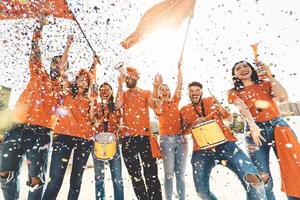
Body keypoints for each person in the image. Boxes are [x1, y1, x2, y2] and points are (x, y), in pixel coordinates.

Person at [0, 18, 72, 200]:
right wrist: (38, 28)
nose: (57, 66)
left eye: (61, 64)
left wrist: (67, 48)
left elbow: (64, 100)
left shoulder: (64, 89)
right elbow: (35, 53)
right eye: (54, 63)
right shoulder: (38, 73)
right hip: (16, 127)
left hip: (40, 132)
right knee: (4, 172)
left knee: (36, 179)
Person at [180, 81, 267, 200]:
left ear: (201, 91)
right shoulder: (184, 110)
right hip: (201, 151)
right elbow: (184, 131)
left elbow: (229, 118)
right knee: (201, 192)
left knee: (254, 180)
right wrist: (192, 124)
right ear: (188, 93)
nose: (194, 93)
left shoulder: (211, 100)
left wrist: (220, 107)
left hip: (226, 145)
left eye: (197, 90)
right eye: (191, 90)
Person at [228, 61, 300, 200]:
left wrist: (270, 75)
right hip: (254, 132)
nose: (242, 69)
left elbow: (283, 97)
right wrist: (253, 125)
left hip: (278, 126)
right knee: (262, 176)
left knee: (293, 167)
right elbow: (243, 107)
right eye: (238, 68)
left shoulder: (265, 83)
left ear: (252, 69)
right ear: (235, 75)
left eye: (245, 66)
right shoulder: (233, 92)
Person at [42, 56, 98, 200]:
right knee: (55, 179)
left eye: (87, 79)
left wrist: (92, 104)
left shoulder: (90, 98)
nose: (84, 79)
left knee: (76, 182)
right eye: (81, 77)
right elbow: (62, 71)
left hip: (85, 139)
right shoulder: (66, 92)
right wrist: (68, 46)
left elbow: (92, 120)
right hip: (63, 136)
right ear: (76, 79)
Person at [116, 67, 162, 200]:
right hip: (128, 140)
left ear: (137, 77)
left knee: (151, 174)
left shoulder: (146, 93)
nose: (129, 78)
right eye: (127, 76)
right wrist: (119, 83)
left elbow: (155, 106)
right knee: (135, 177)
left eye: (132, 76)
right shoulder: (123, 94)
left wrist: (157, 87)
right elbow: (118, 105)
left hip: (145, 138)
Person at [152, 64, 188, 200]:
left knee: (180, 174)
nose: (165, 91)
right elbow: (155, 100)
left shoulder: (174, 102)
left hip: (181, 140)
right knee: (169, 174)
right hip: (166, 141)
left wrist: (179, 68)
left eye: (167, 89)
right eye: (162, 90)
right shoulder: (157, 105)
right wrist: (156, 87)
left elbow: (180, 84)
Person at [90, 82, 124, 200]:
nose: (104, 92)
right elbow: (91, 119)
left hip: (113, 144)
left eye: (107, 90)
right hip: (97, 144)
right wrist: (93, 102)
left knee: (118, 180)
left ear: (112, 92)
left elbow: (121, 123)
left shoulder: (116, 106)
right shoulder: (96, 105)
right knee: (99, 179)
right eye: (102, 90)